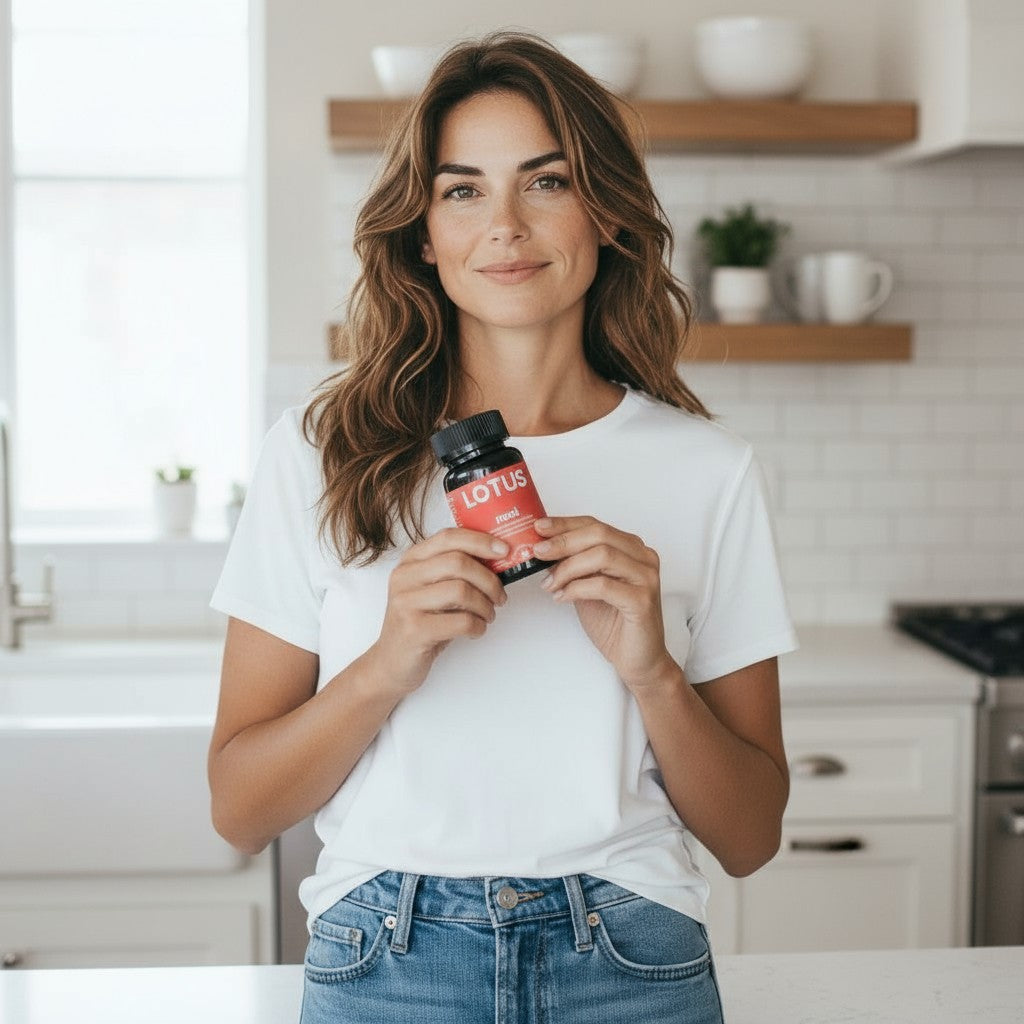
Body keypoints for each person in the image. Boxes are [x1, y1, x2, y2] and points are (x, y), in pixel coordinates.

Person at [208, 31, 797, 1024]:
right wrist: (388, 662)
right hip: (386, 959)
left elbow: (748, 838)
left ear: (605, 212)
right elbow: (240, 808)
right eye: (463, 190)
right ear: (422, 234)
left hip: (631, 958)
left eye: (547, 181)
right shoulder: (321, 451)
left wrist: (652, 671)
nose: (506, 226)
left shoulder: (709, 470)